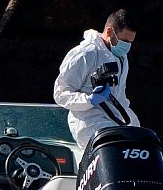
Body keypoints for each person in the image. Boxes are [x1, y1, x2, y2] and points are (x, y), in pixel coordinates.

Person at [53, 9, 139, 150]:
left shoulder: (122, 57)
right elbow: (61, 94)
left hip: (117, 120)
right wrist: (89, 99)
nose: (127, 46)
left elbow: (120, 96)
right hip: (90, 123)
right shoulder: (85, 54)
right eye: (124, 41)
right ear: (110, 32)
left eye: (130, 42)